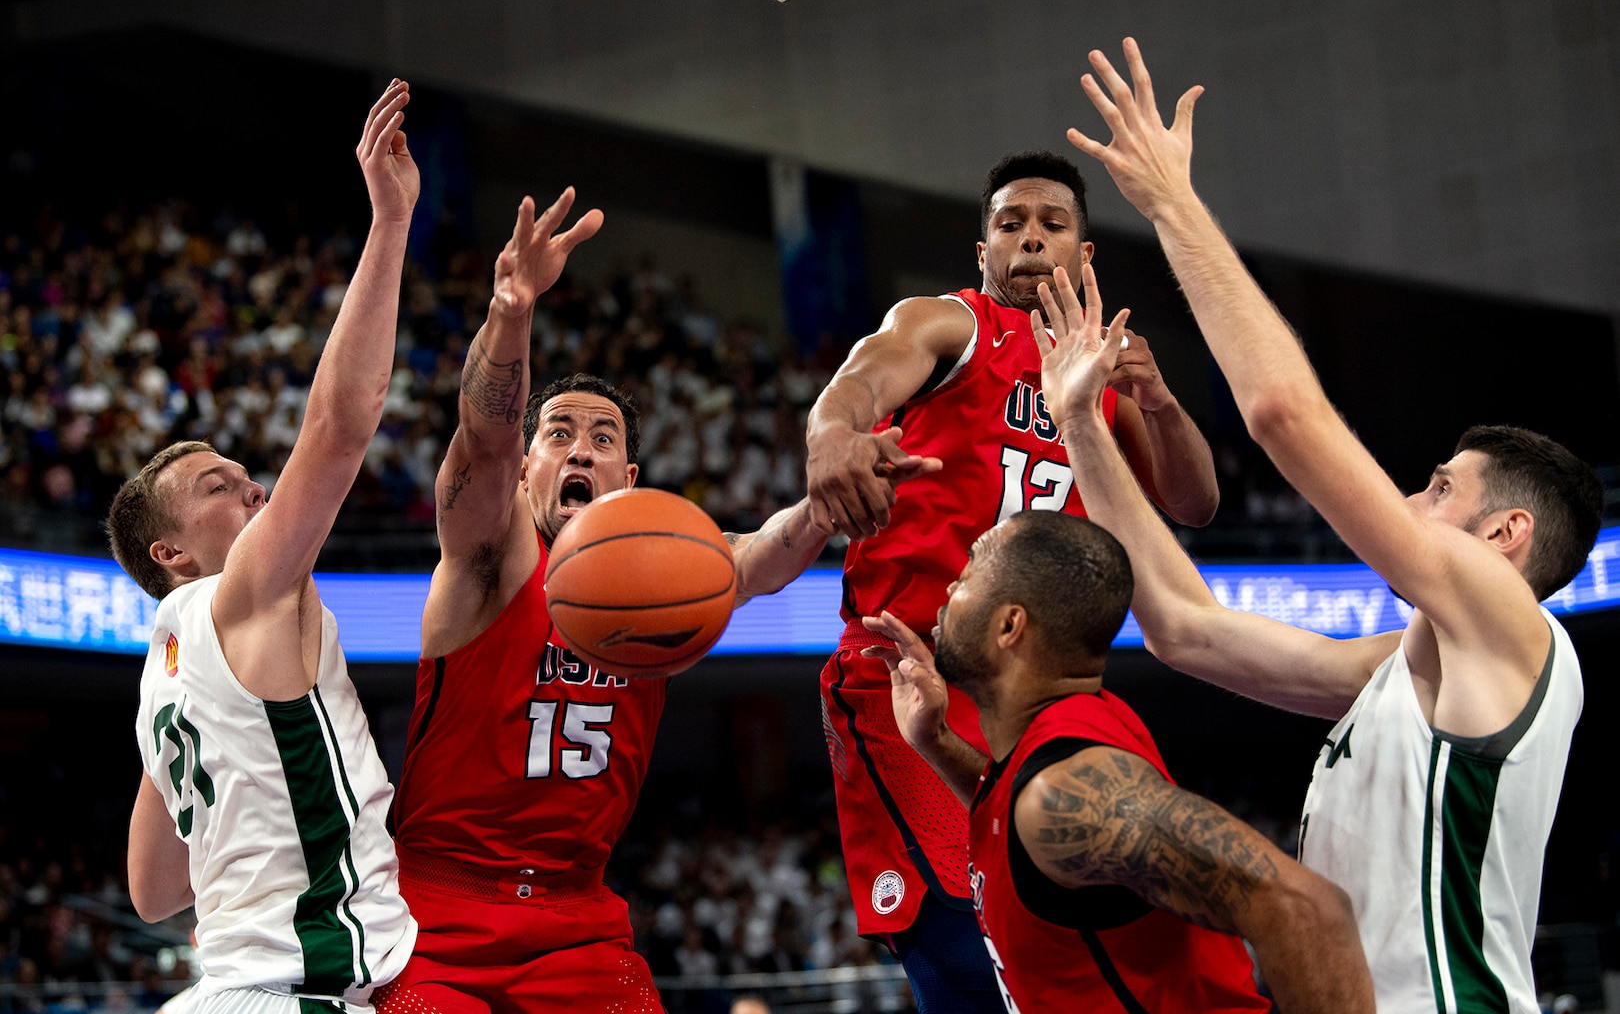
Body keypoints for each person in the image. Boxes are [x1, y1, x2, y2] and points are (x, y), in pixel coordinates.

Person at [1047, 37, 1603, 1012]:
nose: (1409, 501)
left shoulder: (1514, 625)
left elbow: (1283, 416)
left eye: (1438, 487)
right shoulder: (1397, 673)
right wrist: (1078, 426)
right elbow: (1180, 627)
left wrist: (1172, 204)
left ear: (1504, 537)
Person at [381, 194, 928, 1013]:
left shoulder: (661, 575)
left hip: (576, 910)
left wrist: (823, 503)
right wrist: (510, 313)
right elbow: (482, 436)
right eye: (559, 434)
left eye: (603, 440)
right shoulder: (483, 555)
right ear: (529, 466)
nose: (580, 450)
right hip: (432, 906)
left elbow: (756, 561)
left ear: (628, 481)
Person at [805, 149, 1220, 1007]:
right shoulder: (950, 325)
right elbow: (862, 376)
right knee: (966, 936)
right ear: (984, 249)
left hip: (1040, 689)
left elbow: (1195, 501)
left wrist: (1161, 399)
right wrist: (833, 435)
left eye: (1052, 225)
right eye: (1010, 225)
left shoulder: (1099, 373)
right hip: (913, 665)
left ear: (1085, 255)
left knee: (1109, 918)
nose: (1030, 240)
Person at [109, 81, 421, 1010]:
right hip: (301, 993)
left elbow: (154, 891)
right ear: (170, 551)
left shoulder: (161, 675)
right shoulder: (240, 592)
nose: (252, 485)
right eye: (217, 485)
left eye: (246, 473)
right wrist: (390, 223)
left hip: (224, 989)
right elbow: (341, 422)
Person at [861, 510, 1373, 1013]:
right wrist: (934, 741)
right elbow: (1029, 836)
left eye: (969, 573)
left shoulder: (1067, 789)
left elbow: (1307, 910)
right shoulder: (1064, 745)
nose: (950, 589)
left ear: (1010, 625)